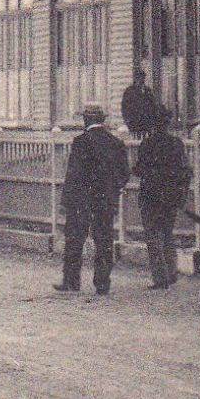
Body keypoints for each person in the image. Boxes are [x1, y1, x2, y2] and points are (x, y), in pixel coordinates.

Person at [56, 104, 131, 295]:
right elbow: (124, 173)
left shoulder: (81, 142)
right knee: (104, 240)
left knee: (74, 240)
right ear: (102, 120)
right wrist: (113, 189)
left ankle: (71, 282)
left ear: (86, 120)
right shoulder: (115, 143)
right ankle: (102, 283)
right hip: (105, 201)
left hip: (81, 201)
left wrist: (66, 201)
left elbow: (73, 174)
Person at [134, 105, 190, 290]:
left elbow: (139, 169)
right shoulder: (177, 144)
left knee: (152, 235)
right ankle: (172, 272)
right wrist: (181, 193)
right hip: (170, 196)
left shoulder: (147, 144)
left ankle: (160, 277)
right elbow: (184, 171)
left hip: (151, 196)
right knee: (167, 233)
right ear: (167, 124)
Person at [121, 68, 161, 138]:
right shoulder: (129, 91)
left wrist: (152, 121)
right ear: (135, 78)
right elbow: (125, 108)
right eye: (138, 78)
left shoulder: (148, 91)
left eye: (142, 78)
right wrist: (129, 122)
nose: (140, 80)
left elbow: (153, 106)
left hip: (147, 124)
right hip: (134, 124)